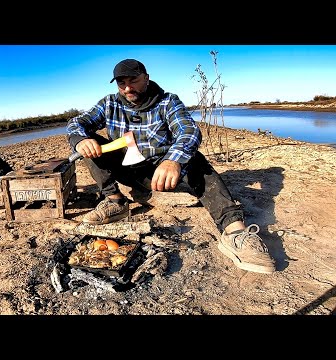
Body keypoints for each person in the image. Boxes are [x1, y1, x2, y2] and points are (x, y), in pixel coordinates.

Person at [66, 58, 276, 274]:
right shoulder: (109, 103)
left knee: (198, 162)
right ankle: (115, 202)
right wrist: (80, 140)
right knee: (88, 144)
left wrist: (172, 160)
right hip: (126, 169)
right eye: (121, 83)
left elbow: (189, 131)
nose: (128, 88)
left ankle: (235, 233)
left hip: (163, 173)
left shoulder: (168, 102)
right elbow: (76, 123)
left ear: (146, 78)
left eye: (133, 80)